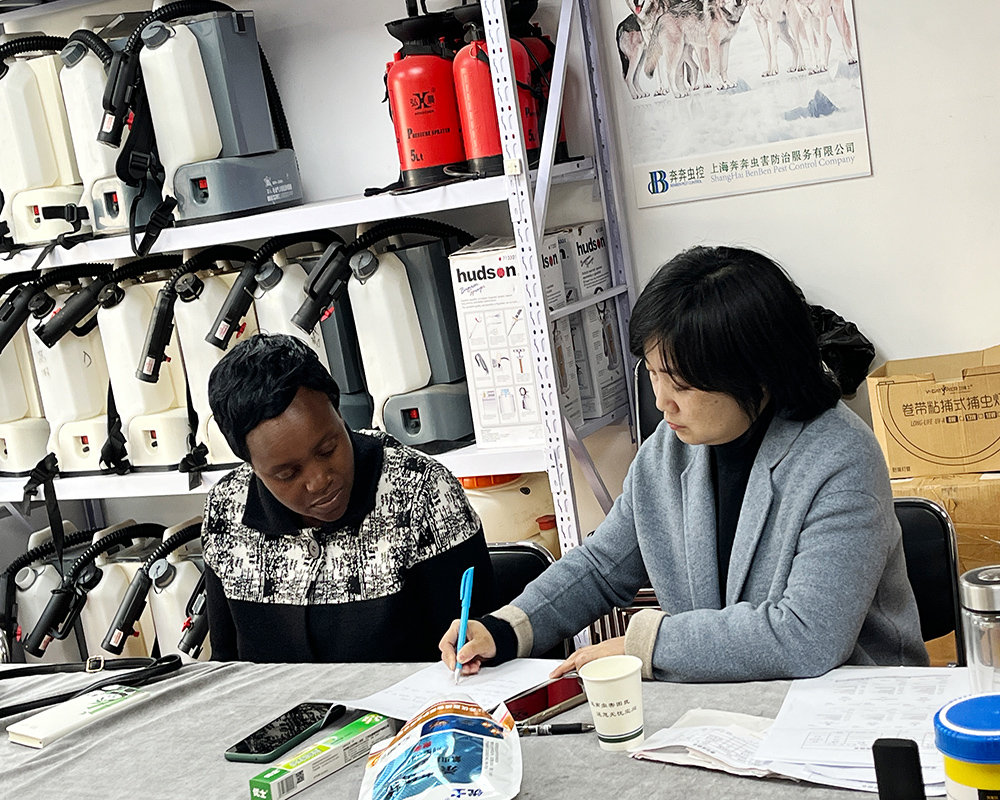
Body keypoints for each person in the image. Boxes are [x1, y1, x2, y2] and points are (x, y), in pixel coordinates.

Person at [440, 245, 929, 682]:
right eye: (653, 374)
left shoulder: (840, 457)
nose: (661, 401)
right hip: (729, 706)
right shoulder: (668, 450)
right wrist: (506, 628)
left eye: (682, 384)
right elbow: (602, 567)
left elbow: (807, 635)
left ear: (758, 373)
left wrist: (645, 645)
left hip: (847, 707)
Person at [201, 333, 497, 662]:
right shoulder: (227, 508)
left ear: (338, 412)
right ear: (251, 465)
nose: (319, 481)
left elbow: (474, 654)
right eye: (287, 474)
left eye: (328, 449)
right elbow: (226, 666)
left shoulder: (422, 493)